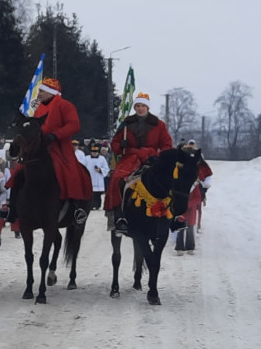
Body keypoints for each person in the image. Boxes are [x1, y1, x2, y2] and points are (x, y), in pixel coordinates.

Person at [17, 77, 93, 224]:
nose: (38, 93)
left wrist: (55, 135)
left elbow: (74, 125)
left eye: (42, 91)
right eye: (39, 90)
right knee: (20, 172)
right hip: (38, 148)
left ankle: (76, 207)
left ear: (51, 93)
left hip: (59, 147)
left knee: (70, 173)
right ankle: (13, 206)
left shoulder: (66, 105)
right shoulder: (36, 108)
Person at [105, 91, 174, 234]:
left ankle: (173, 215)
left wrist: (159, 155)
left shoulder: (159, 125)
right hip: (130, 158)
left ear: (148, 108)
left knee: (170, 181)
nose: (140, 108)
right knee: (117, 179)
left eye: (143, 105)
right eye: (138, 105)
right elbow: (115, 144)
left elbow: (167, 144)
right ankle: (118, 217)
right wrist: (121, 146)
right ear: (135, 107)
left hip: (152, 158)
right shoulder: (126, 124)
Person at [175, 139, 213, 255]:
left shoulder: (198, 160)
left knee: (190, 226)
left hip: (192, 201)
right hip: (182, 205)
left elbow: (205, 174)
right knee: (180, 226)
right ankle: (179, 246)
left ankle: (190, 246)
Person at [83, 143, 110, 210]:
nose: (94, 153)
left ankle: (98, 205)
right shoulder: (86, 158)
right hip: (90, 178)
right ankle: (91, 205)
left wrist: (100, 170)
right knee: (91, 194)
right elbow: (83, 167)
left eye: (96, 152)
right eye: (93, 152)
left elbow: (106, 168)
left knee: (98, 194)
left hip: (98, 178)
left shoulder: (102, 158)